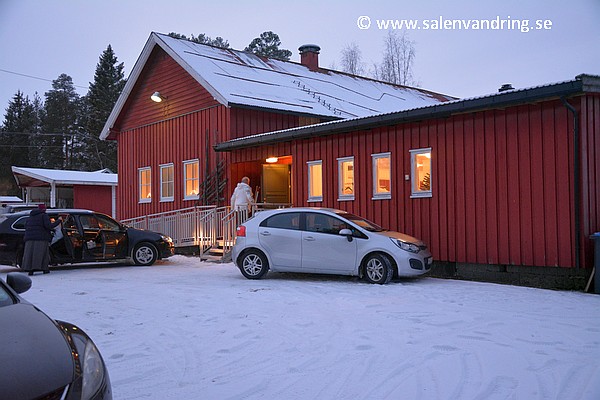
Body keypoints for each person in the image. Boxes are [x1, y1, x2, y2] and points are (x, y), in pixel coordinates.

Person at [22, 204, 62, 276]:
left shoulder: (30, 216)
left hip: (29, 239)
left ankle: (31, 270)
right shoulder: (44, 216)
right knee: (42, 254)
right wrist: (59, 221)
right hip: (41, 238)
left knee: (30, 254)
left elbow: (26, 226)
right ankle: (44, 269)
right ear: (44, 209)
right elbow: (49, 226)